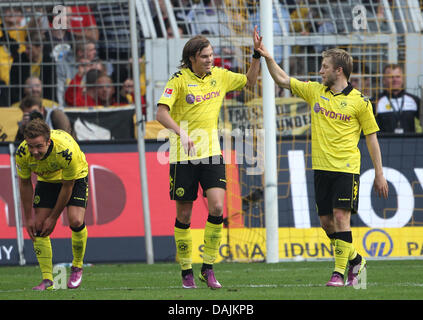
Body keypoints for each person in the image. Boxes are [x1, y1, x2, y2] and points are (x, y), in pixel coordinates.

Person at [255, 33, 389, 286]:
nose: (320, 71)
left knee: (341, 218)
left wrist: (379, 174)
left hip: (346, 168)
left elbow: (372, 139)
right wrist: (269, 58)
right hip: (321, 167)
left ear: (339, 70)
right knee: (328, 224)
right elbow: (283, 80)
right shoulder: (316, 91)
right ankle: (356, 260)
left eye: (324, 67)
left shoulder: (360, 102)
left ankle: (338, 274)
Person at [156, 27, 261, 289]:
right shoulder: (178, 80)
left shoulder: (220, 76)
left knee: (216, 208)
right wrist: (182, 133)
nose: (210, 59)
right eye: (205, 56)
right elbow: (161, 114)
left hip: (212, 154)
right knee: (184, 215)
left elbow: (249, 82)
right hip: (183, 156)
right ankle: (186, 271)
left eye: (211, 55)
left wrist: (256, 56)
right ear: (192, 57)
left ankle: (208, 267)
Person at [15, 118, 89, 291]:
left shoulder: (65, 151)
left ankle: (77, 266)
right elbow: (25, 184)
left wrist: (54, 217)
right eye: (30, 146)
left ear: (48, 142)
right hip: (47, 179)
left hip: (75, 178)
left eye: (39, 146)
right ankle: (47, 279)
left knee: (76, 221)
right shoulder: (22, 153)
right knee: (38, 227)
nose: (34, 151)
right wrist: (28, 219)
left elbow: (67, 186)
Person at [375, 63, 421, 134]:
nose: (395, 80)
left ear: (403, 79)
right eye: (391, 77)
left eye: (398, 76)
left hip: (411, 143)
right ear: (384, 80)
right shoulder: (375, 102)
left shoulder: (415, 100)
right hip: (384, 143)